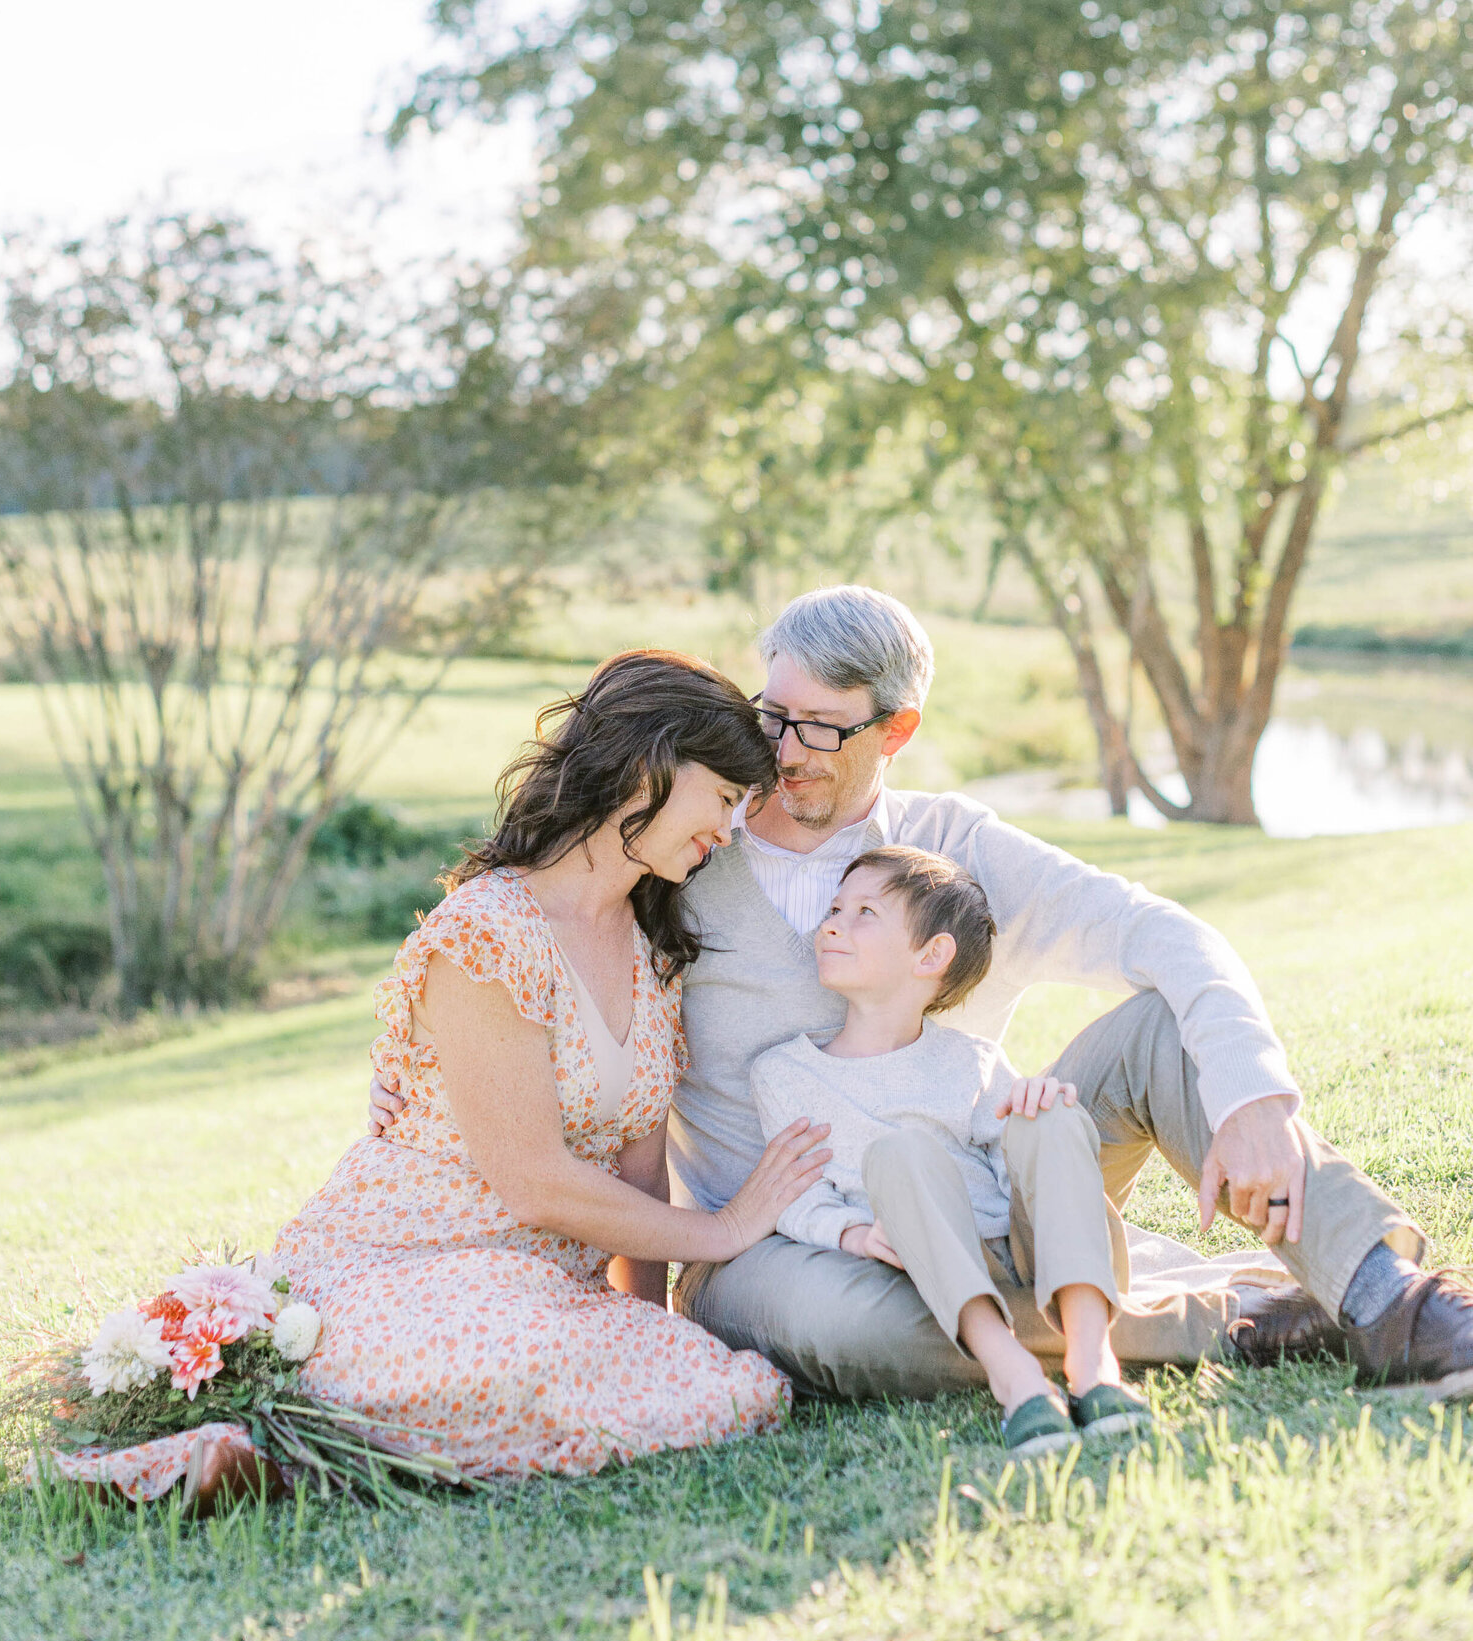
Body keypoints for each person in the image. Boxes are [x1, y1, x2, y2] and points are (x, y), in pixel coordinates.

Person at [663, 586, 1472, 1400]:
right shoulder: (692, 848)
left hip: (992, 1205)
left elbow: (1161, 933)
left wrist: (1252, 1094)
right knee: (856, 1328)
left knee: (1163, 1026)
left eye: (822, 729)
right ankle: (1238, 1313)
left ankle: (1390, 1302)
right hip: (780, 1241)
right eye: (773, 714)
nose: (785, 751)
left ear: (896, 730)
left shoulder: (955, 845)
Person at [274, 650, 831, 1479]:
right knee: (519, 1362)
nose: (728, 828)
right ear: (649, 768)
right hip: (411, 1262)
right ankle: (267, 1440)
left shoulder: (652, 952)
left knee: (724, 1385)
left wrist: (648, 1327)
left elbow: (640, 1176)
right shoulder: (488, 932)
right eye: (721, 797)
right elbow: (532, 1178)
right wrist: (722, 1229)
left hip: (540, 1287)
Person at [750, 845, 1153, 1459]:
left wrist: (1037, 1107)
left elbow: (1013, 1166)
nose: (831, 923)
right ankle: (1014, 1376)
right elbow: (795, 1195)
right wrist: (853, 1236)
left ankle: (1093, 1365)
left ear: (931, 955)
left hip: (1017, 1247)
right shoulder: (784, 1074)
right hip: (925, 1259)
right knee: (900, 1152)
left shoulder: (970, 1060)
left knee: (1050, 1111)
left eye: (864, 913)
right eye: (834, 908)